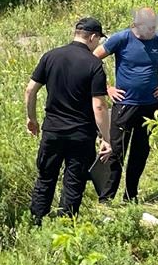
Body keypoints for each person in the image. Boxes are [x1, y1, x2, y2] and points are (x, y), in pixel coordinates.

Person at [94, 7, 158, 203]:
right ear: (136, 25)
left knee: (140, 151)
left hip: (149, 105)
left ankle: (131, 195)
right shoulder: (121, 39)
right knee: (116, 151)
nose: (152, 31)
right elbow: (93, 59)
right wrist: (107, 87)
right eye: (149, 27)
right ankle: (107, 198)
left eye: (155, 27)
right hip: (125, 105)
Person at [25, 17, 112, 223]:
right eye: (98, 39)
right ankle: (65, 224)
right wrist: (106, 138)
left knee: (45, 178)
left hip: (53, 131)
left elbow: (30, 89)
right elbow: (98, 105)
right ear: (92, 37)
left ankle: (36, 221)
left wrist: (31, 118)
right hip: (81, 134)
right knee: (74, 181)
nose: (98, 43)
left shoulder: (51, 56)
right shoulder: (94, 64)